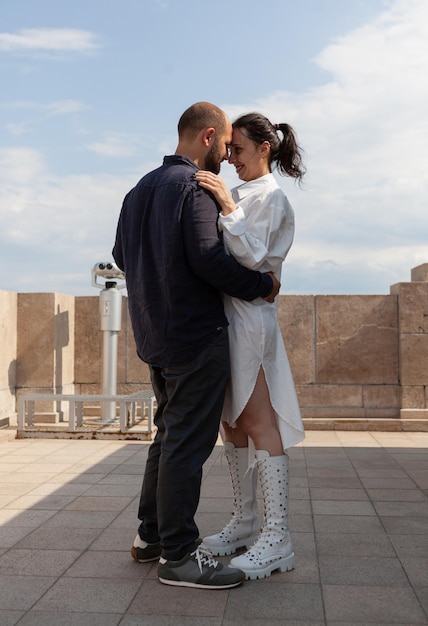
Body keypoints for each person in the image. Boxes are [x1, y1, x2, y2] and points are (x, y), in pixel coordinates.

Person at [112, 102, 281, 590]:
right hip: (194, 336)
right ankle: (181, 556)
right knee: (186, 443)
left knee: (168, 436)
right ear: (208, 136)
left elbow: (123, 256)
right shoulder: (197, 187)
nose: (227, 156)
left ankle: (151, 540)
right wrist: (262, 286)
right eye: (226, 145)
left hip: (154, 337)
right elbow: (210, 260)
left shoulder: (138, 190)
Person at [195, 112, 306, 580]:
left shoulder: (273, 198)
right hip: (225, 321)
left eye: (237, 149)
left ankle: (277, 537)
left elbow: (256, 258)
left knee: (260, 421)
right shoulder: (240, 193)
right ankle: (244, 523)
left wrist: (224, 203)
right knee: (232, 424)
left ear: (265, 148)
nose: (229, 158)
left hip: (252, 322)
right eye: (228, 149)